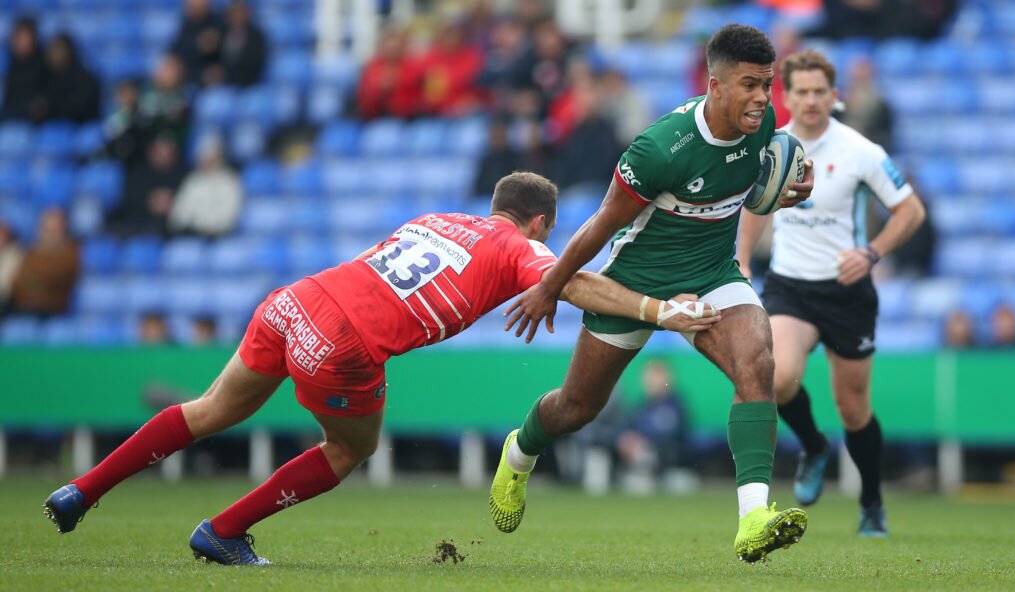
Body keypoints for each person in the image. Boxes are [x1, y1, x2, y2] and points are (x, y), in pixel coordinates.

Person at [43, 172, 719, 565]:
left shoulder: (436, 219)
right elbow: (575, 284)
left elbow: (379, 263)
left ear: (492, 202)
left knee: (210, 408)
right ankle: (221, 532)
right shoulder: (519, 248)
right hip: (343, 344)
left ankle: (83, 490)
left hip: (294, 301)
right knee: (348, 449)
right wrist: (659, 310)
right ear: (540, 222)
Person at [487, 25, 815, 563]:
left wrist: (790, 193)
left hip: (714, 273)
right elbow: (598, 225)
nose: (762, 97)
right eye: (750, 85)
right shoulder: (661, 148)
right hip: (635, 281)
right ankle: (519, 454)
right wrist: (551, 286)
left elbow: (751, 195)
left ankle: (754, 517)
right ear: (714, 85)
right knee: (576, 408)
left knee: (757, 364)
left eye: (767, 84)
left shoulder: (766, 127)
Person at [736, 50, 926, 537]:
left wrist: (872, 253)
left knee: (853, 408)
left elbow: (910, 212)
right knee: (775, 378)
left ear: (835, 96)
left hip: (846, 291)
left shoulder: (861, 150)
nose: (812, 99)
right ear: (789, 95)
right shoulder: (773, 148)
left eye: (821, 91)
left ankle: (871, 501)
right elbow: (758, 206)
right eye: (802, 91)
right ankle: (815, 446)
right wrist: (740, 259)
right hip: (790, 286)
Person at [168, 135, 243, 238]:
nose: (207, 162)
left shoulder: (230, 181)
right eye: (204, 158)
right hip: (193, 233)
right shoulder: (192, 180)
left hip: (219, 234)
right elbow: (181, 210)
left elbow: (231, 214)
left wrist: (210, 226)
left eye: (212, 158)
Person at [10, 208, 80, 317]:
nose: (50, 235)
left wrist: (33, 281)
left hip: (57, 311)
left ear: (64, 230)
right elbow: (18, 282)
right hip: (24, 309)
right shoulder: (29, 253)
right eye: (46, 229)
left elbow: (56, 279)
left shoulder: (72, 254)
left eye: (55, 230)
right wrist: (35, 281)